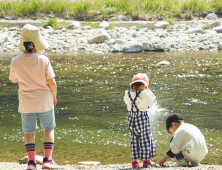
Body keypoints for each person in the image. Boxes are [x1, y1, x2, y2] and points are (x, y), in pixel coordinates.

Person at [9, 24, 58, 170]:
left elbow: (13, 79)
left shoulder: (15, 60)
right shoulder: (44, 59)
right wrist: (54, 97)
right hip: (44, 100)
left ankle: (31, 163)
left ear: (23, 45)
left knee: (29, 132)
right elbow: (52, 82)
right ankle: (47, 160)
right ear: (37, 43)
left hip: (26, 101)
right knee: (48, 129)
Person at [124, 73, 156, 168]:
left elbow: (127, 103)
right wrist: (147, 91)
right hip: (142, 118)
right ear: (143, 85)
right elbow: (151, 103)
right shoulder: (143, 94)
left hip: (131, 118)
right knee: (145, 139)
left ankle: (135, 161)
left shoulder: (127, 93)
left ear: (132, 85)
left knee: (134, 140)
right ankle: (146, 161)